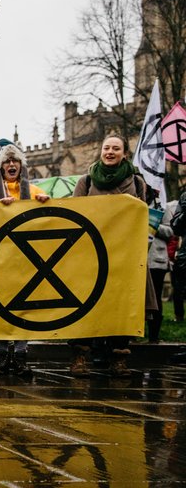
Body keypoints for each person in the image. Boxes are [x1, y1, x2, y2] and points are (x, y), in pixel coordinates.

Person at [69, 134, 151, 377]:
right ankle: (79, 357)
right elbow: (75, 216)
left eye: (116, 148)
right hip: (92, 256)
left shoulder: (137, 183)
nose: (110, 152)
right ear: (101, 151)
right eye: (107, 148)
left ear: (124, 153)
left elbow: (142, 219)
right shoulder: (86, 181)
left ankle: (119, 358)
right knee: (85, 305)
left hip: (124, 256)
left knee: (123, 306)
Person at [0, 140, 49, 377]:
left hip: (27, 261)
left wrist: (45, 204)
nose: (11, 164)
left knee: (24, 308)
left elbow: (48, 221)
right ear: (0, 166)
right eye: (7, 161)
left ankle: (20, 356)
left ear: (21, 165)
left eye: (14, 160)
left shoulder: (36, 192)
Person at [147, 197, 175, 342]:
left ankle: (153, 335)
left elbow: (170, 231)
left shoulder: (161, 206)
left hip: (156, 261)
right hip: (136, 260)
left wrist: (151, 221)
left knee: (155, 297)